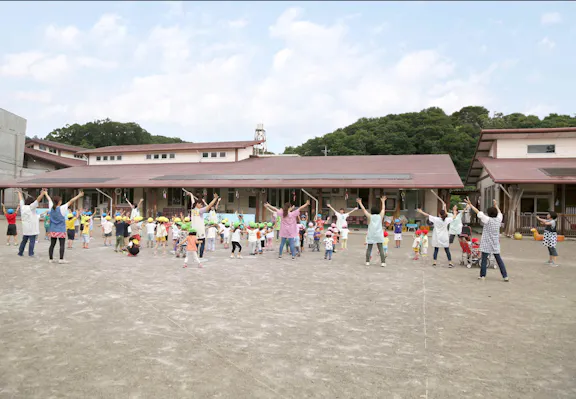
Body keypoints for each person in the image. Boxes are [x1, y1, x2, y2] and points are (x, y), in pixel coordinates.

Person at [465, 197, 509, 281]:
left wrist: (470, 205)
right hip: (495, 242)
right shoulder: (498, 219)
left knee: (484, 259)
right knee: (499, 259)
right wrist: (496, 206)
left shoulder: (487, 219)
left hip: (486, 242)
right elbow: (500, 213)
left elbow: (478, 212)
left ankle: (482, 275)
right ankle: (505, 276)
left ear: (488, 213)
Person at [45, 190, 84, 263]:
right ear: (59, 202)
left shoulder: (51, 207)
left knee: (52, 245)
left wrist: (46, 193)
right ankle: (61, 259)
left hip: (53, 229)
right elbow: (71, 201)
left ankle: (50, 259)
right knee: (61, 244)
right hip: (61, 229)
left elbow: (49, 199)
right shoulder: (62, 208)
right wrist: (79, 195)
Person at [186, 192, 219, 258]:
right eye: (201, 204)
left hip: (194, 230)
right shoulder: (200, 211)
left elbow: (193, 200)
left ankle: (195, 255)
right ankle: (200, 256)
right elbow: (209, 206)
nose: (201, 206)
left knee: (196, 242)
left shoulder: (193, 209)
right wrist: (215, 199)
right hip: (200, 230)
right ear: (197, 204)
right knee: (202, 243)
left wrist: (191, 194)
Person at [357, 196, 387, 267]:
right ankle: (383, 262)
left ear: (372, 211)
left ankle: (367, 261)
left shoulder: (370, 216)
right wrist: (383, 201)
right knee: (381, 249)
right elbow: (383, 209)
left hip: (371, 234)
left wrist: (360, 203)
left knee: (369, 248)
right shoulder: (380, 216)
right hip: (379, 234)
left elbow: (364, 210)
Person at [16, 189, 46, 257]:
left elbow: (21, 200)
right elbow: (37, 200)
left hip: (26, 228)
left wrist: (19, 193)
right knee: (32, 241)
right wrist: (42, 194)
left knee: (24, 241)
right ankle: (31, 253)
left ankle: (20, 252)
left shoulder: (23, 207)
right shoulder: (31, 207)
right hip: (32, 228)